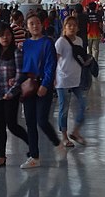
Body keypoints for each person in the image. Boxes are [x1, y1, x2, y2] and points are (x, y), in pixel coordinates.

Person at [9, 11, 61, 169]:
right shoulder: (25, 44)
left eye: (37, 23)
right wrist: (16, 81)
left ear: (42, 24)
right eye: (31, 24)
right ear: (27, 27)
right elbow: (22, 66)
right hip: (28, 85)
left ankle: (57, 143)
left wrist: (46, 85)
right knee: (30, 122)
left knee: (42, 120)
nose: (35, 26)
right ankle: (34, 156)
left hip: (42, 85)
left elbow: (51, 65)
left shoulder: (48, 42)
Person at [0, 24, 29, 169]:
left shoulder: (16, 52)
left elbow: (20, 75)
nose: (5, 37)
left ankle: (32, 145)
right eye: (2, 35)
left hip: (10, 95)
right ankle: (1, 157)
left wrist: (11, 92)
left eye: (8, 34)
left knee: (12, 125)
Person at [54, 17, 87, 148]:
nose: (72, 27)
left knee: (84, 105)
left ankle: (76, 131)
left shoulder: (79, 40)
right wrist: (53, 78)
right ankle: (64, 137)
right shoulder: (61, 42)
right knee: (64, 109)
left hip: (76, 79)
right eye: (69, 25)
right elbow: (54, 60)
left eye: (74, 25)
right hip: (63, 80)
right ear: (64, 27)